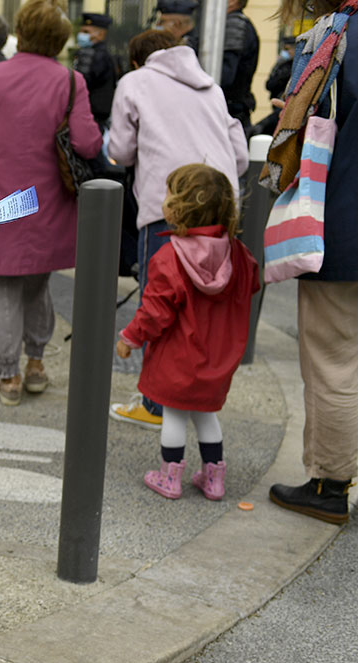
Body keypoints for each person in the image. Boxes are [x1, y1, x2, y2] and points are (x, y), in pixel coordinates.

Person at [0, 0, 101, 406]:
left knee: (0, 287)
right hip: (47, 200)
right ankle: (36, 364)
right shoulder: (71, 81)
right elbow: (88, 142)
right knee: (37, 284)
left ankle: (8, 375)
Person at [106, 29, 247, 429]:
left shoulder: (134, 83)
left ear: (138, 60)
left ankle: (155, 403)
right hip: (221, 204)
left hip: (167, 204)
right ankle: (192, 398)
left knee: (161, 298)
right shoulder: (211, 87)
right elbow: (238, 156)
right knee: (202, 309)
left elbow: (119, 151)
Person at [116, 164, 259, 500]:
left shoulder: (170, 258)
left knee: (175, 416)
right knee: (206, 415)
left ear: (181, 207)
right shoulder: (239, 255)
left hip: (178, 357)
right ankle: (214, 480)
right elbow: (252, 282)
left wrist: (130, 338)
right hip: (218, 356)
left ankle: (170, 477)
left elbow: (154, 311)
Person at [265, 0, 357, 525]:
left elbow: (300, 120)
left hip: (342, 221)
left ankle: (329, 482)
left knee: (334, 361)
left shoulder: (337, 32)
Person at [74, 12, 117, 129]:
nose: (81, 35)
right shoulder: (102, 53)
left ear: (101, 34)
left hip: (92, 115)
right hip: (98, 114)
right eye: (82, 31)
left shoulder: (92, 55)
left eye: (86, 32)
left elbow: (80, 83)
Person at [221, 0, 260, 129]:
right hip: (233, 110)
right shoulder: (232, 24)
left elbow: (225, 76)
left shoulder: (234, 26)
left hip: (230, 111)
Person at [253, 35, 296, 136]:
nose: (285, 52)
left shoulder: (295, 68)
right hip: (276, 104)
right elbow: (269, 84)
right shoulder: (281, 65)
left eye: (287, 49)